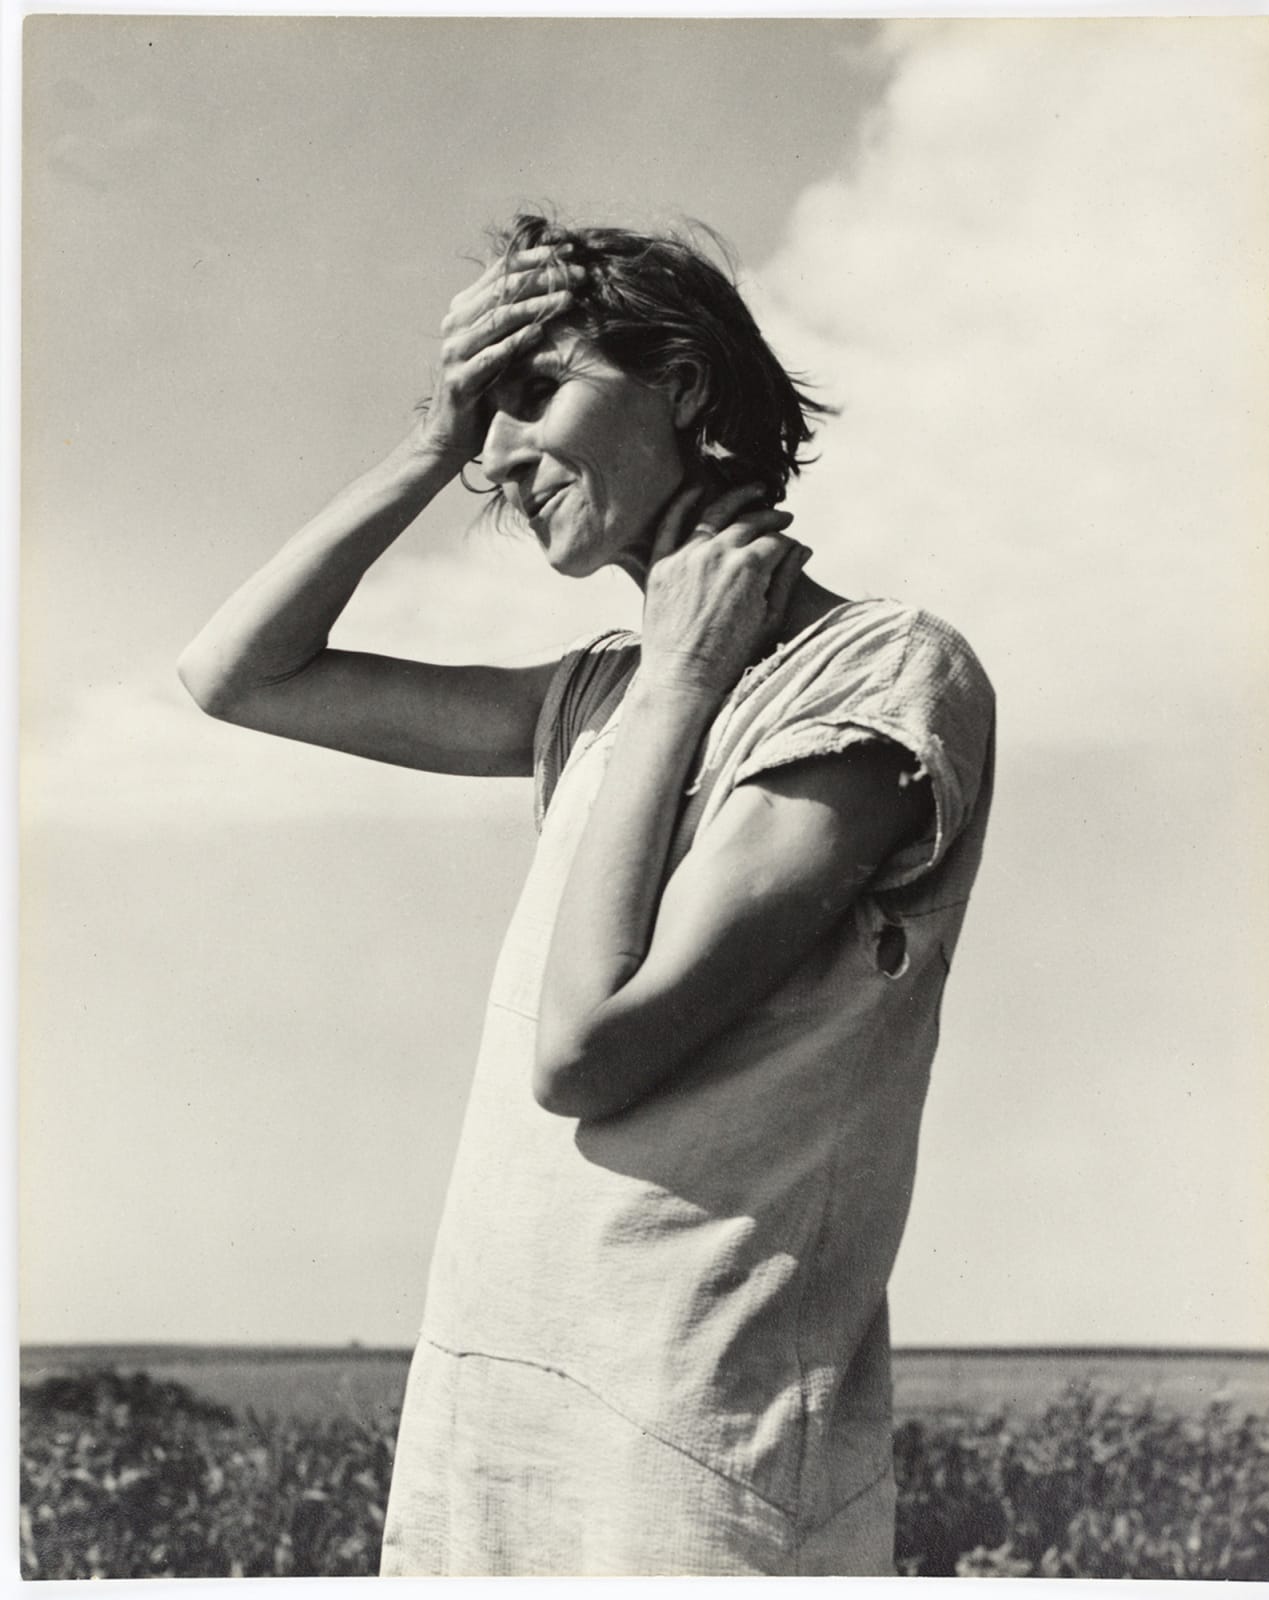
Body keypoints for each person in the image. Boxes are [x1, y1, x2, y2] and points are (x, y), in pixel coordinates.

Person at [178, 214, 996, 1577]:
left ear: (679, 382)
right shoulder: (595, 694)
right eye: (476, 415)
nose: (496, 459)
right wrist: (427, 441)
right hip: (495, 1386)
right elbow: (233, 678)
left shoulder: (883, 675)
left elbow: (586, 1051)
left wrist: (683, 677)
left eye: (533, 392)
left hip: (689, 1416)